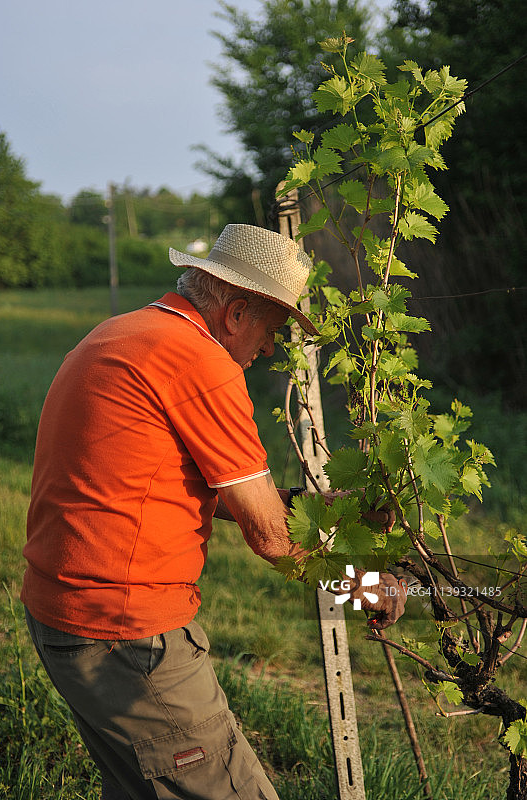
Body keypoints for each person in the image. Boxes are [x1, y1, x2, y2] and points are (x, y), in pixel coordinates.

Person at [21, 224, 406, 800]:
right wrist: (366, 586)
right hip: (125, 634)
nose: (269, 349)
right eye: (271, 330)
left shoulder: (124, 333)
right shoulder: (199, 362)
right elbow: (271, 539)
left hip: (65, 619)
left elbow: (170, 481)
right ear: (236, 313)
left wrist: (316, 508)